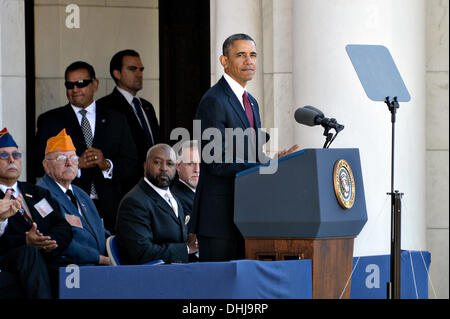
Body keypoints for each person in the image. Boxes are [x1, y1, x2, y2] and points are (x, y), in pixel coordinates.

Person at [191, 34, 299, 262]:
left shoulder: (251, 101)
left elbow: (249, 153)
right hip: (219, 218)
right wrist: (265, 164)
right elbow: (216, 161)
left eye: (252, 55)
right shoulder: (214, 100)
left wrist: (274, 160)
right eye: (240, 55)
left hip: (247, 213)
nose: (248, 61)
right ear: (224, 61)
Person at [35, 61, 141, 233]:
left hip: (111, 207)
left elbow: (133, 163)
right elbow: (38, 164)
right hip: (69, 206)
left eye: (81, 84)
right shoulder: (50, 120)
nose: (75, 89)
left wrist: (107, 164)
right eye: (70, 85)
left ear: (95, 84)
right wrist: (76, 165)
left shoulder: (117, 119)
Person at [0, 128, 72, 298]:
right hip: (10, 258)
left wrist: (47, 242)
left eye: (16, 155)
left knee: (72, 266)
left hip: (46, 254)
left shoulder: (36, 192)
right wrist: (26, 240)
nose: (12, 160)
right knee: (29, 252)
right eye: (4, 156)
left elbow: (62, 225)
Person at [37, 129, 111, 266]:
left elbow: (100, 231)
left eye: (73, 158)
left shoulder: (80, 193)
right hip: (71, 271)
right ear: (46, 165)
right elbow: (55, 240)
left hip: (99, 269)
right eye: (61, 158)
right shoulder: (40, 195)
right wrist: (99, 259)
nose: (69, 163)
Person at [116, 144, 198, 265]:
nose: (164, 168)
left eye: (169, 164)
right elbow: (142, 252)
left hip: (178, 272)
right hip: (149, 278)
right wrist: (186, 248)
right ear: (145, 166)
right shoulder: (134, 202)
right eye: (157, 162)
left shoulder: (173, 199)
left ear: (176, 168)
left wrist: (194, 244)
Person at [97, 49, 160, 168]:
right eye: (132, 69)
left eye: (141, 70)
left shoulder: (147, 106)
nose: (139, 74)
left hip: (153, 178)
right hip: (124, 181)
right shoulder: (105, 106)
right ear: (117, 74)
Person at [171, 140, 200, 262]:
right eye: (190, 164)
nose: (197, 170)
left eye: (200, 164)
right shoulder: (175, 198)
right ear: (178, 166)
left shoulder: (203, 194)